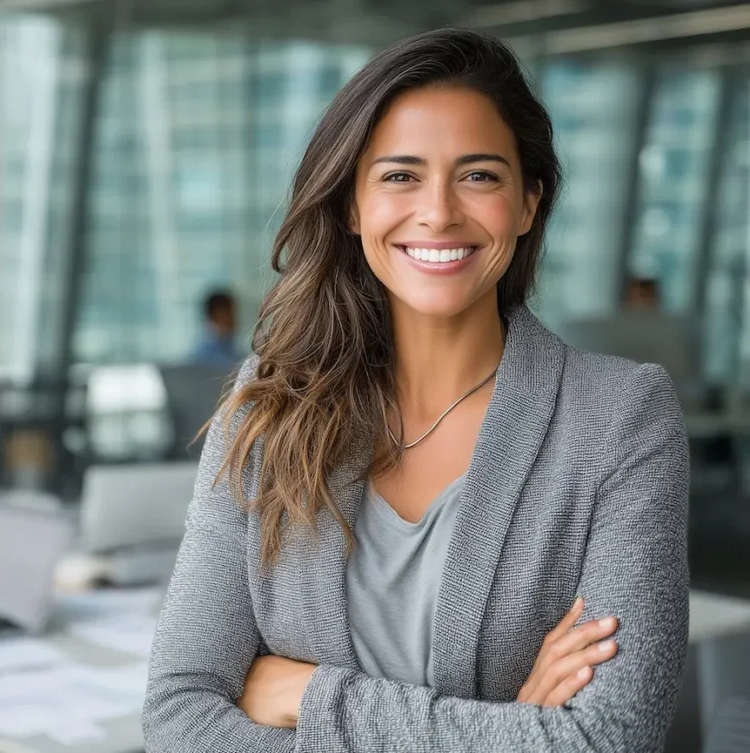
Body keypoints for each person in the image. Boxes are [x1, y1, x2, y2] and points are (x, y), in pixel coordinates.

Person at [144, 28, 688, 753]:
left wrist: (308, 696)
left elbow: (608, 741)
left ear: (529, 203)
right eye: (400, 175)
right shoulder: (269, 407)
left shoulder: (620, 418)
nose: (437, 212)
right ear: (351, 205)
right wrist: (514, 730)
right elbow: (178, 715)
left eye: (479, 176)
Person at [190, 289, 243, 368]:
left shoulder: (237, 351)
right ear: (211, 317)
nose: (231, 321)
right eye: (225, 316)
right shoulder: (201, 356)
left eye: (233, 315)